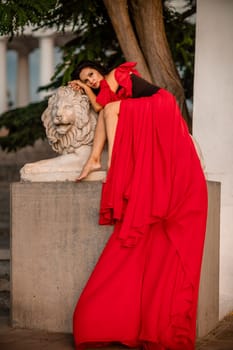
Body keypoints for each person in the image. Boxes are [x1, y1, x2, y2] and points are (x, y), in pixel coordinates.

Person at [69, 60, 208, 350]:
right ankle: (98, 159)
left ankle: (107, 161)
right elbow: (101, 110)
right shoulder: (106, 95)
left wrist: (99, 92)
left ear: (100, 70)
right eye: (86, 80)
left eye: (91, 75)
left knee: (110, 110)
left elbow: (110, 110)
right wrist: (84, 89)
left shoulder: (117, 75)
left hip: (161, 106)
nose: (92, 81)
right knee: (108, 109)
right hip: (143, 114)